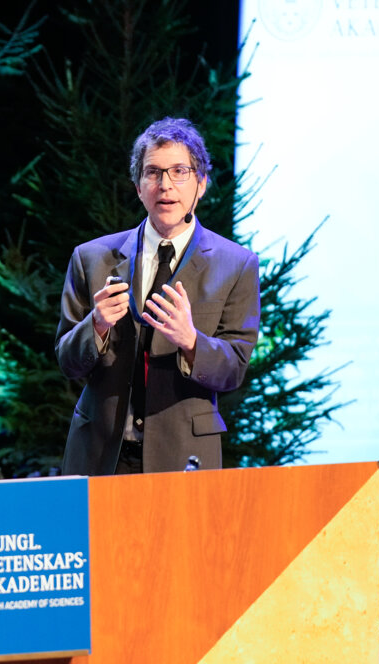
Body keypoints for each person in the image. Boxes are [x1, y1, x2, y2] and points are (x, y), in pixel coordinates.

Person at [55, 117, 260, 475]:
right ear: (138, 186)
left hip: (183, 456)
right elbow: (67, 362)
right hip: (101, 453)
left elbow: (233, 371)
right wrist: (98, 325)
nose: (165, 185)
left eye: (180, 171)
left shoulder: (236, 264)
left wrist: (192, 341)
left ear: (201, 183)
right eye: (153, 172)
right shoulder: (91, 258)